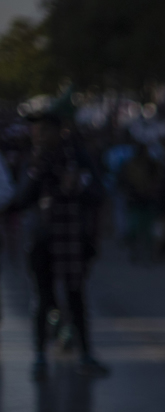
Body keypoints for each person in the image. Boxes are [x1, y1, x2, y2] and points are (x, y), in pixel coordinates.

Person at [11, 113, 108, 379]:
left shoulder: (78, 159)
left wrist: (77, 186)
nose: (39, 135)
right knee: (43, 299)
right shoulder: (32, 161)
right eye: (36, 130)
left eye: (44, 130)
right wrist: (35, 174)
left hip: (73, 239)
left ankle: (85, 354)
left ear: (59, 132)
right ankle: (41, 356)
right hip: (42, 239)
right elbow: (21, 199)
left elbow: (99, 193)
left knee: (76, 296)